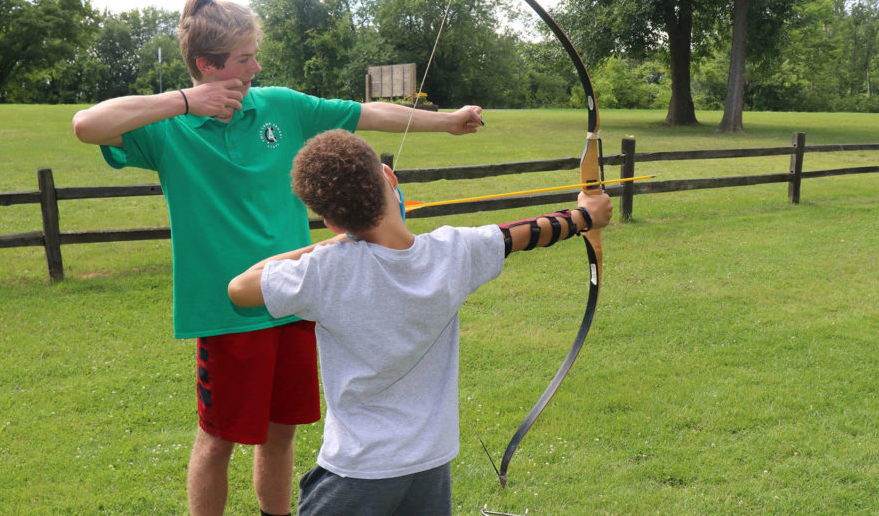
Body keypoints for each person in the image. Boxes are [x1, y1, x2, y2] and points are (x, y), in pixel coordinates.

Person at [71, 0, 484, 516]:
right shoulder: (167, 128)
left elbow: (368, 113)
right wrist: (183, 101)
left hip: (294, 298)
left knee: (280, 434)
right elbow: (87, 125)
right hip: (227, 311)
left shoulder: (279, 106)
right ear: (207, 65)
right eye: (245, 59)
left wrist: (447, 120)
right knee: (217, 441)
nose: (256, 66)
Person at [227, 129, 612, 515]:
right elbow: (525, 234)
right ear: (391, 179)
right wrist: (585, 216)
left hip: (359, 472)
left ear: (330, 221)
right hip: (429, 466)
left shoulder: (324, 270)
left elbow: (240, 287)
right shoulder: (455, 251)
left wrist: (331, 243)